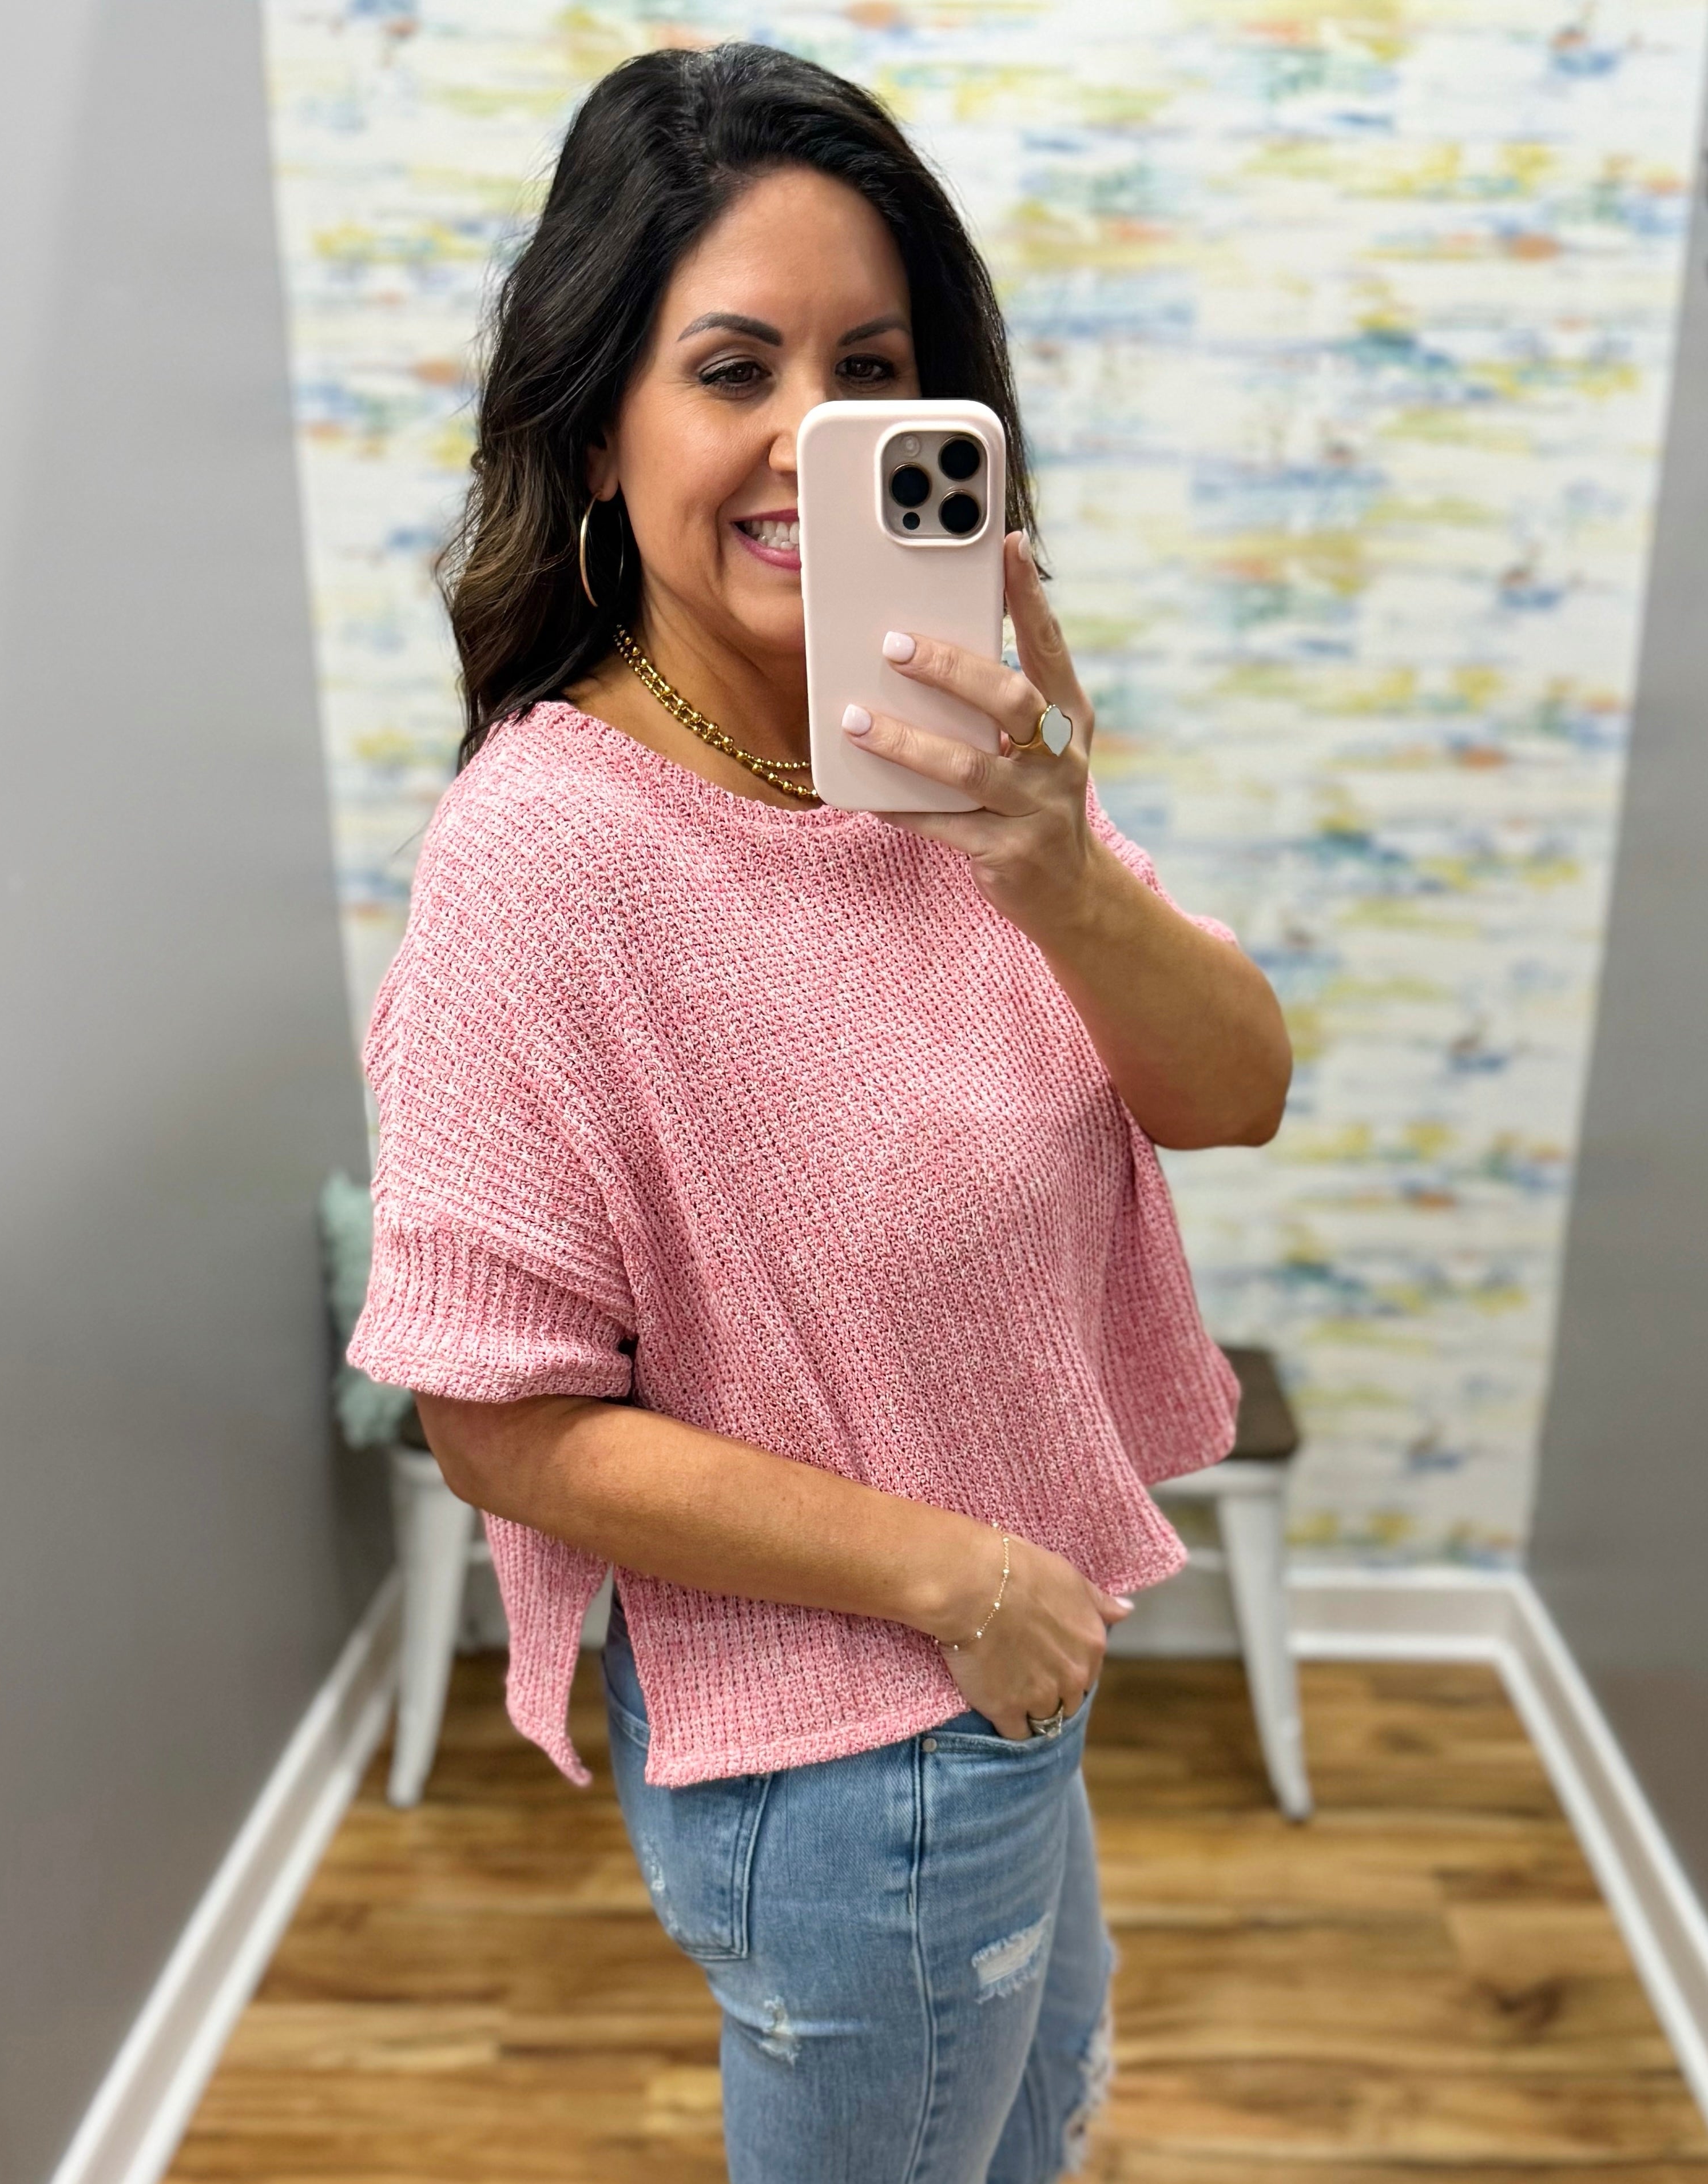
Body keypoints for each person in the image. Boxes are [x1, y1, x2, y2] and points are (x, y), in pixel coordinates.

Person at [348, 42, 1290, 2183]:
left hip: (997, 1685)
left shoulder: (951, 753)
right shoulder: (549, 851)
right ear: (600, 430)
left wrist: (1047, 856)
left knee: (1037, 2127)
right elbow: (491, 1419)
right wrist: (965, 1576)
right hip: (852, 1752)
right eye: (733, 366)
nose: (814, 437)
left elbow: (1235, 1089)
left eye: (873, 365)